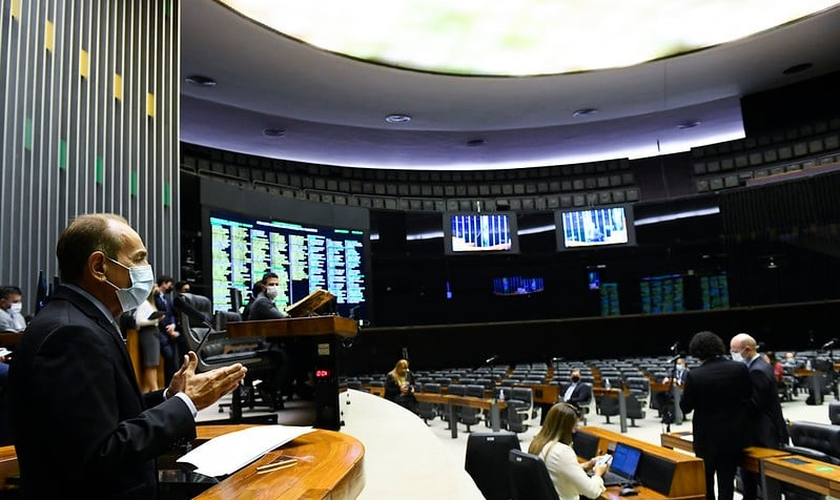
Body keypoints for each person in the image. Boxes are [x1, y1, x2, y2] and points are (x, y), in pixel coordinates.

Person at [7, 213, 248, 500]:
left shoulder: (81, 320)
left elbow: (105, 413)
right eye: (138, 259)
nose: (146, 269)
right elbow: (99, 454)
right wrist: (187, 403)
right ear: (99, 267)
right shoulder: (71, 334)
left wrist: (169, 397)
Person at [680, 331, 751, 500]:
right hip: (733, 436)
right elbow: (747, 396)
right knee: (727, 483)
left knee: (706, 484)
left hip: (706, 439)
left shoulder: (695, 375)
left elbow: (685, 408)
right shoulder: (739, 369)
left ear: (696, 351)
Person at [730, 333, 790, 500]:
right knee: (748, 481)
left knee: (763, 482)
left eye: (734, 351)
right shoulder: (755, 366)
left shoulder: (758, 370)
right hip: (753, 433)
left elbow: (754, 405)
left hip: (761, 434)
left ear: (747, 350)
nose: (732, 355)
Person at [527, 402, 608, 500]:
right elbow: (592, 492)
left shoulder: (537, 443)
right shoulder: (562, 451)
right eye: (574, 427)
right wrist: (598, 473)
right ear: (565, 428)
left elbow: (555, 470)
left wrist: (585, 465)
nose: (575, 431)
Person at [134, 285, 163, 393]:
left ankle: (151, 388)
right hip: (147, 333)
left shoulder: (151, 303)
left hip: (154, 333)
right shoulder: (143, 303)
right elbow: (139, 321)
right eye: (154, 288)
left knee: (154, 363)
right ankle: (154, 389)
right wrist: (155, 321)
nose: (156, 291)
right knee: (150, 363)